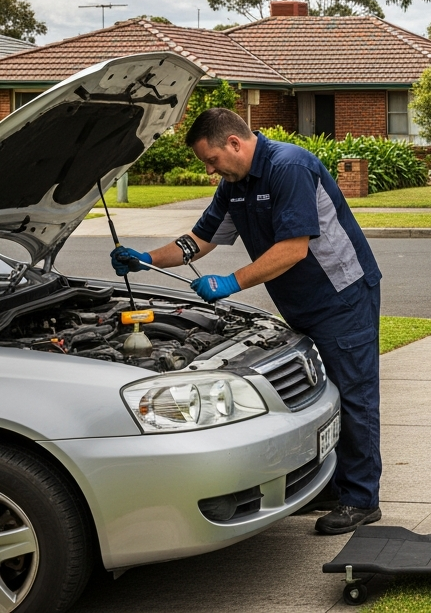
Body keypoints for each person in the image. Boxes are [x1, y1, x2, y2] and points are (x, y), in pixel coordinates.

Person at [111, 108, 383, 535]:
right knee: (319, 395)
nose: (209, 169)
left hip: (341, 296)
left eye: (212, 160)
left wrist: (230, 282)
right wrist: (145, 259)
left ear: (234, 144)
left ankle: (362, 499)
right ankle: (334, 486)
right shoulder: (234, 185)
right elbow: (197, 242)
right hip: (300, 301)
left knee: (354, 393)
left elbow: (293, 248)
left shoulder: (288, 167)